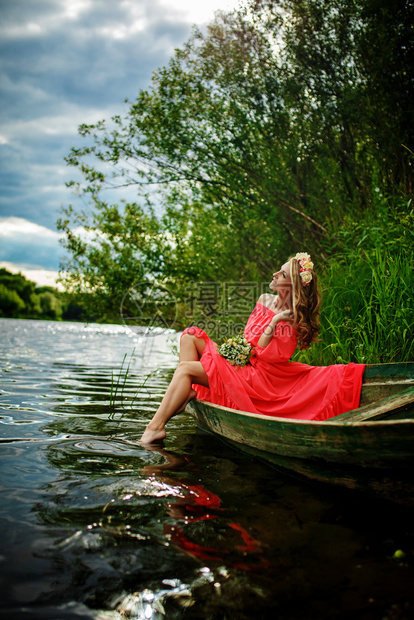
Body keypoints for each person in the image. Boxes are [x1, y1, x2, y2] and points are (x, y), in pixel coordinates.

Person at [139, 252, 365, 444]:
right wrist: (238, 349)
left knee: (186, 369)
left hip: (256, 376)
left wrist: (276, 322)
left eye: (283, 274)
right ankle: (185, 390)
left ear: (292, 285)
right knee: (190, 335)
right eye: (279, 269)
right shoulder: (264, 298)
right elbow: (248, 338)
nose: (275, 274)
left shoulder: (291, 319)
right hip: (241, 360)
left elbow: (268, 356)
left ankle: (156, 426)